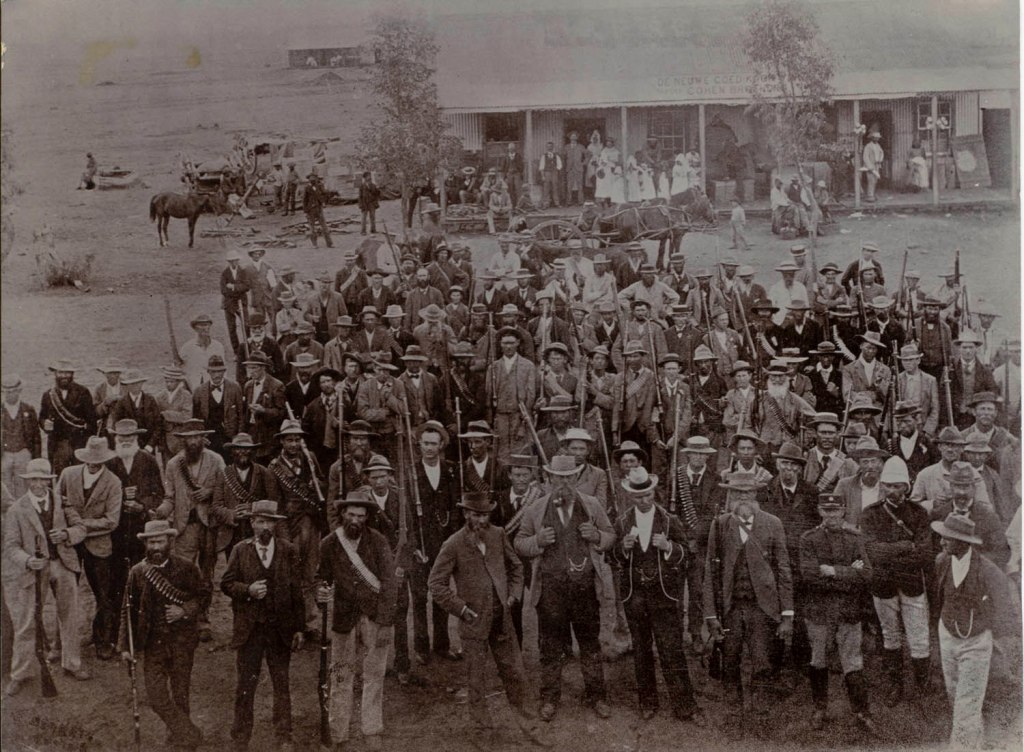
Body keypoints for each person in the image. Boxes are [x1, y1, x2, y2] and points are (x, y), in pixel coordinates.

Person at [428, 492, 542, 740]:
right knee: (476, 681)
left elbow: (516, 567)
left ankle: (532, 728)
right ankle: (482, 731)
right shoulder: (453, 544)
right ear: (466, 514)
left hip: (502, 621)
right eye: (477, 514)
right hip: (473, 623)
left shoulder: (498, 534)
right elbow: (436, 584)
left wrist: (512, 596)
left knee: (516, 676)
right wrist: (460, 609)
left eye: (485, 515)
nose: (482, 520)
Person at [515, 454, 614, 721]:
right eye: (558, 478)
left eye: (569, 478)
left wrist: (597, 537)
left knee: (590, 645)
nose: (564, 483)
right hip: (551, 591)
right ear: (549, 479)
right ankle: (549, 699)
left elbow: (610, 535)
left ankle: (597, 696)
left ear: (576, 478)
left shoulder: (591, 505)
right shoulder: (536, 508)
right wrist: (538, 540)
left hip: (583, 589)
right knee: (550, 647)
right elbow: (519, 543)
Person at [611, 467, 706, 726]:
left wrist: (669, 547)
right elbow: (612, 558)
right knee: (641, 651)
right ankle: (648, 702)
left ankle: (685, 706)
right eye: (639, 496)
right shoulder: (621, 522)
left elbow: (687, 556)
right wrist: (623, 548)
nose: (644, 500)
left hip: (664, 596)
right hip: (635, 596)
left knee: (671, 650)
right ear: (631, 496)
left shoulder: (669, 520)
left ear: (654, 492)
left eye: (648, 494)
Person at [704, 472, 794, 737]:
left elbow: (784, 569)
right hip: (730, 608)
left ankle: (761, 716)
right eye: (738, 493)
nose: (744, 499)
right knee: (729, 663)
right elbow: (710, 571)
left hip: (762, 608)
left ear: (757, 496)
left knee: (762, 663)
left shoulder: (773, 523)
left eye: (749, 493)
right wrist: (710, 614)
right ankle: (733, 715)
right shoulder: (719, 525)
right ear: (731, 496)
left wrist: (787, 614)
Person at [315, 491, 398, 751]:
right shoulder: (329, 543)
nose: (355, 520)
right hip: (343, 616)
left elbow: (389, 583)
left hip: (374, 615)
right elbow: (322, 578)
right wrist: (321, 592)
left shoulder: (379, 542)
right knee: (341, 674)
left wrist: (385, 622)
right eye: (350, 514)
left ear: (367, 518)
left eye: (361, 516)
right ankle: (338, 730)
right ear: (342, 515)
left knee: (374, 673)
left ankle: (372, 727)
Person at [220, 500, 305, 751]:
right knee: (246, 684)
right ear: (252, 523)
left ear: (276, 525)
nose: (265, 526)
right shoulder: (240, 550)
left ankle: (284, 735)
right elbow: (226, 584)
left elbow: (297, 592)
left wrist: (299, 628)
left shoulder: (289, 550)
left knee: (281, 683)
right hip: (250, 630)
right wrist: (248, 590)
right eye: (260, 521)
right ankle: (240, 737)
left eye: (270, 522)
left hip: (280, 629)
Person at [118, 520, 209, 749]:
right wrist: (125, 647)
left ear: (169, 541)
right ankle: (189, 733)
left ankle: (178, 740)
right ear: (146, 544)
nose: (156, 546)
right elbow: (126, 611)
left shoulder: (187, 567)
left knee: (180, 694)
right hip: (153, 643)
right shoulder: (137, 573)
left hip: (182, 641)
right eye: (151, 542)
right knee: (157, 697)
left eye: (160, 541)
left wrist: (184, 610)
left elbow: (204, 597)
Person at [931, 512, 1017, 749]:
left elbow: (1005, 610)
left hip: (975, 642)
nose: (941, 542)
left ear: (962, 542)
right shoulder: (941, 562)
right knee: (955, 693)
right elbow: (937, 598)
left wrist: (991, 637)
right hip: (947, 635)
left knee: (967, 702)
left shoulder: (988, 571)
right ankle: (974, 742)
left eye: (946, 538)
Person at [3, 458, 89, 696]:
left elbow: (81, 528)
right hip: (34, 570)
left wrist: (66, 534)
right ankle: (20, 673)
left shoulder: (62, 503)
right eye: (33, 480)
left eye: (42, 479)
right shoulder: (16, 510)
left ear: (49, 480)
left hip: (62, 564)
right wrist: (28, 560)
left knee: (69, 615)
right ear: (27, 482)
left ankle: (72, 663)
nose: (38, 484)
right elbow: (10, 547)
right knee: (27, 620)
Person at [799, 493, 876, 732]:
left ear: (843, 511)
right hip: (819, 610)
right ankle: (820, 709)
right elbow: (809, 576)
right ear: (820, 511)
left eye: (836, 510)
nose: (831, 515)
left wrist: (831, 571)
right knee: (818, 659)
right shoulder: (809, 538)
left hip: (847, 610)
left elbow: (867, 574)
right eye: (826, 510)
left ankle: (862, 713)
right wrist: (848, 573)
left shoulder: (855, 538)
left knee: (852, 662)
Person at [861, 456, 933, 703]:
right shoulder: (870, 514)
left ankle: (922, 686)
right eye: (888, 485)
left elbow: (923, 554)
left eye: (897, 485)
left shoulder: (919, 513)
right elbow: (871, 551)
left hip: (912, 583)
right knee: (890, 634)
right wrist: (904, 546)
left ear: (906, 486)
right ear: (882, 486)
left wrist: (889, 553)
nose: (892, 490)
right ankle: (895, 685)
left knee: (919, 635)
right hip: (882, 584)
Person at [157, 419, 224, 641]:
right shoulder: (174, 464)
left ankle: (203, 620)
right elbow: (170, 497)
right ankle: (184, 617)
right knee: (183, 573)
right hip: (184, 527)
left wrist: (209, 492)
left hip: (208, 526)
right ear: (183, 440)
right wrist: (161, 511)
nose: (193, 441)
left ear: (203, 438)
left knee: (206, 574)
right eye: (189, 437)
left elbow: (224, 491)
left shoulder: (216, 460)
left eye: (197, 437)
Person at [58, 435, 123, 660]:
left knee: (104, 595)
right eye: (90, 459)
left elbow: (112, 521)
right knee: (66, 592)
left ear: (105, 460)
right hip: (70, 545)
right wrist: (70, 529)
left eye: (99, 460)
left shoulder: (113, 482)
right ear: (84, 457)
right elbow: (58, 505)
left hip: (100, 545)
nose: (94, 463)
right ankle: (61, 644)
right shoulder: (68, 475)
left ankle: (103, 641)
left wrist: (79, 525)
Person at [213, 433, 280, 554]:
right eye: (239, 448)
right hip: (232, 534)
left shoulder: (264, 473)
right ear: (232, 451)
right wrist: (232, 514)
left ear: (253, 451)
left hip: (258, 531)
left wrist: (253, 508)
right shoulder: (223, 474)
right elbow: (216, 506)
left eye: (247, 448)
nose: (243, 452)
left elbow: (274, 503)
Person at [39, 359, 98, 477]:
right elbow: (42, 417)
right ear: (55, 374)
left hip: (79, 444)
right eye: (61, 373)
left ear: (72, 374)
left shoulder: (83, 392)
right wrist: (44, 423)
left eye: (67, 373)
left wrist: (86, 444)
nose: (64, 376)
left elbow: (92, 421)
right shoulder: (48, 395)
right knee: (61, 478)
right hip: (58, 444)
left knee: (80, 476)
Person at [1, 374, 41, 500]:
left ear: (19, 391)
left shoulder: (28, 409)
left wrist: (36, 458)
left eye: (13, 391)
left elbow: (36, 436)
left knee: (23, 486)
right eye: (7, 392)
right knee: (4, 487)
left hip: (23, 453)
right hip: (4, 454)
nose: (10, 394)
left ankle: (22, 514)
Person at [179, 313, 228, 393]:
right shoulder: (187, 348)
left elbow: (223, 369)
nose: (206, 328)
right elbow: (180, 371)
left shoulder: (218, 346)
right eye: (202, 325)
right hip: (193, 388)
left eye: (207, 325)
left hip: (214, 388)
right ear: (195, 328)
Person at [221, 250, 251, 353]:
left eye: (235, 260)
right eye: (231, 261)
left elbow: (247, 286)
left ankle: (249, 348)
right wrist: (237, 290)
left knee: (247, 325)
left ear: (238, 261)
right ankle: (236, 351)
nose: (234, 263)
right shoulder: (225, 273)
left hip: (241, 302)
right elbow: (223, 290)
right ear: (228, 262)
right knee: (232, 328)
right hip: (229, 303)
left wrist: (233, 287)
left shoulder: (243, 271)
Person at [303, 173, 333, 248]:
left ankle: (329, 243)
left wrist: (323, 202)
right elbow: (304, 200)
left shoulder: (319, 187)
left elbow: (325, 194)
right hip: (311, 210)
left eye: (315, 179)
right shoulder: (307, 188)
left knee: (324, 226)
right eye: (312, 180)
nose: (313, 181)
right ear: (309, 180)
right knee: (312, 228)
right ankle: (314, 244)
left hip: (319, 209)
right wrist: (306, 211)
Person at [563, 131, 587, 206]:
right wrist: (565, 165)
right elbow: (563, 157)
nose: (573, 138)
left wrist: (584, 163)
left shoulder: (581, 146)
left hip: (579, 168)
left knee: (580, 186)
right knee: (569, 186)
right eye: (572, 136)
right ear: (569, 138)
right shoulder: (566, 147)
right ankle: (568, 202)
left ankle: (581, 201)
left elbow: (589, 155)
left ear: (577, 138)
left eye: (575, 136)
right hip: (569, 169)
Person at [539, 141, 563, 209]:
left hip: (554, 173)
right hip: (547, 173)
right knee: (546, 189)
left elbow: (560, 165)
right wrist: (543, 176)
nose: (550, 148)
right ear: (546, 147)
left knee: (555, 188)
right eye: (548, 146)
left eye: (551, 146)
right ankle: (545, 204)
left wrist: (556, 169)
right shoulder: (544, 156)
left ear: (553, 147)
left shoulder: (556, 156)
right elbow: (541, 167)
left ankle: (557, 203)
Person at [862, 130, 884, 202]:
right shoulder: (868, 146)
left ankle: (873, 194)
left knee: (875, 180)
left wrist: (880, 160)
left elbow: (881, 153)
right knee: (870, 179)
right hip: (871, 165)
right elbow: (865, 157)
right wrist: (869, 165)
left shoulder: (878, 146)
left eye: (878, 138)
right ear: (872, 138)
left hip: (877, 164)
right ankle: (870, 195)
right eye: (875, 138)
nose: (877, 139)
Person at [358, 171, 380, 236]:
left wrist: (378, 189)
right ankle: (363, 231)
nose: (369, 177)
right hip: (364, 204)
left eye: (370, 176)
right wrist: (360, 204)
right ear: (365, 178)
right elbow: (360, 196)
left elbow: (377, 194)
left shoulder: (373, 185)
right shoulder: (362, 186)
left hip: (371, 203)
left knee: (372, 217)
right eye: (368, 176)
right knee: (363, 218)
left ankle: (373, 230)